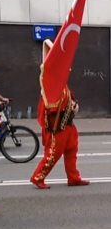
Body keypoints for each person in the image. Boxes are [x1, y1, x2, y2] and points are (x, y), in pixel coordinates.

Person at [30, 40, 89, 189]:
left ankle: (73, 177)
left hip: (69, 126)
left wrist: (74, 105)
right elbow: (53, 108)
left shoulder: (63, 86)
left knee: (71, 153)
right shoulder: (52, 88)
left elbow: (71, 101)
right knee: (53, 155)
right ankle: (38, 177)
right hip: (58, 129)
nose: (68, 69)